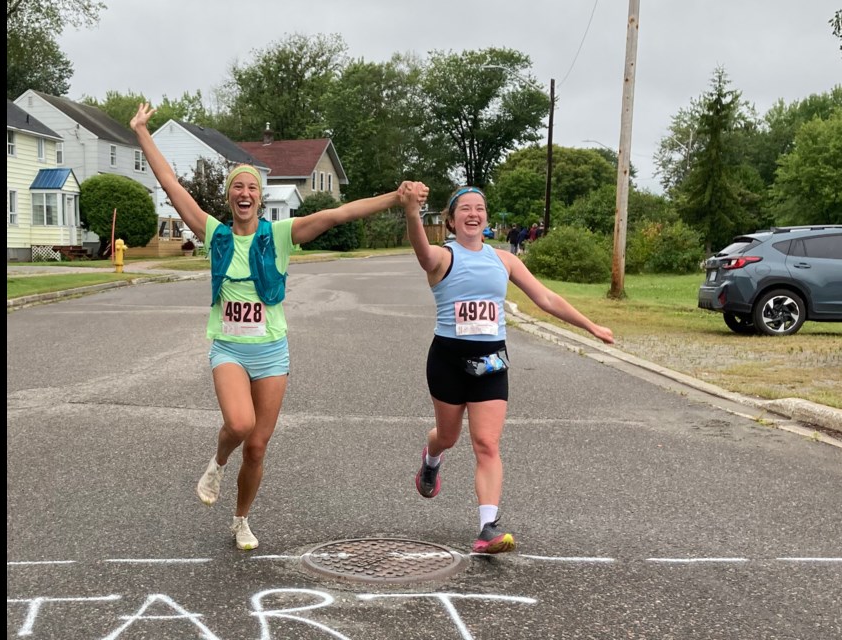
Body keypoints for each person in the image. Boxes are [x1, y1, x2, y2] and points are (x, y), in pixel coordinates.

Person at [130, 102, 427, 550]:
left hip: (271, 352)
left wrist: (396, 197)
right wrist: (141, 132)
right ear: (230, 196)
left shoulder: (281, 235)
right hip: (229, 348)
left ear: (261, 195)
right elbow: (171, 185)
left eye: (252, 186)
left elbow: (340, 214)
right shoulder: (216, 235)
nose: (245, 192)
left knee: (258, 447)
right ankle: (216, 462)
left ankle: (241, 519)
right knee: (239, 424)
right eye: (238, 187)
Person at [402, 186, 615, 554]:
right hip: (448, 360)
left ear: (486, 217)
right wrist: (411, 213)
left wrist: (590, 326)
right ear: (451, 220)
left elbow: (545, 297)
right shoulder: (442, 257)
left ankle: (488, 527)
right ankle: (431, 458)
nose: (474, 214)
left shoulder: (504, 260)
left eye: (480, 208)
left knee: (486, 443)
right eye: (465, 209)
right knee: (448, 436)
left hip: (490, 362)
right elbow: (421, 251)